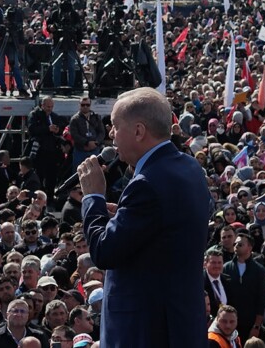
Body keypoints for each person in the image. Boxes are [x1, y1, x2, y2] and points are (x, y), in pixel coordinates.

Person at [77, 87, 210, 346]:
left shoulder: (147, 183)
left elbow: (104, 252)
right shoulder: (188, 166)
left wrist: (93, 198)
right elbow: (162, 228)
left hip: (145, 332)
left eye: (115, 126)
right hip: (178, 326)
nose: (111, 135)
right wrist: (125, 217)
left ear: (139, 131)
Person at [222, 234, 265, 340]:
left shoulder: (260, 271)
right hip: (229, 324)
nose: (236, 246)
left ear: (249, 247)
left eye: (240, 244)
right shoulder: (226, 268)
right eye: (235, 243)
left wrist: (257, 326)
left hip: (249, 324)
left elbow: (261, 300)